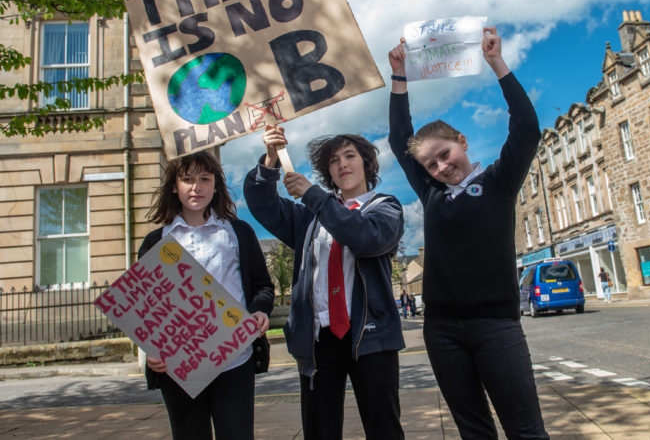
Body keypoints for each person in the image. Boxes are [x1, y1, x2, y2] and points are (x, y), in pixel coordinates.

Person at [388, 27, 549, 439]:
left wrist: (497, 63)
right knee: (474, 433)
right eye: (431, 166)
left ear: (462, 141)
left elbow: (527, 128)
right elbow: (397, 136)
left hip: (497, 326)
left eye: (445, 154)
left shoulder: (499, 180)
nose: (441, 168)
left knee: (526, 432)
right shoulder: (431, 194)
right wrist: (400, 76)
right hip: (441, 332)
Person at [244, 129, 405, 439]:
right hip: (319, 341)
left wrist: (312, 195)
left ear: (366, 163)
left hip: (370, 337)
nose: (342, 164)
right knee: (320, 430)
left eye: (350, 156)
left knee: (383, 428)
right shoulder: (309, 218)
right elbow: (262, 204)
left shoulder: (386, 208)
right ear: (328, 171)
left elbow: (364, 236)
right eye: (334, 160)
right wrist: (271, 159)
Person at [138, 151, 274, 440]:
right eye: (187, 179)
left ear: (216, 186)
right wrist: (151, 349)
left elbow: (263, 285)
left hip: (234, 359)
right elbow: (144, 306)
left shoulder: (238, 232)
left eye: (204, 179)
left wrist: (260, 310)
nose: (196, 187)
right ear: (174, 186)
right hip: (179, 365)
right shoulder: (156, 241)